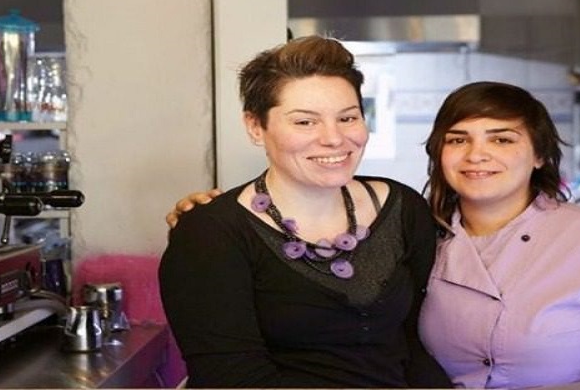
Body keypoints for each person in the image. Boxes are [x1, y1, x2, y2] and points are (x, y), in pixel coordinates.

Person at [166, 81, 580, 389]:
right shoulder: (418, 229)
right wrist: (208, 216)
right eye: (458, 139)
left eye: (502, 139)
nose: (477, 155)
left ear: (539, 154)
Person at [158, 35, 452, 388]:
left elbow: (413, 345)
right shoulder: (211, 232)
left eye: (348, 117)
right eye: (305, 122)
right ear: (255, 126)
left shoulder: (403, 208)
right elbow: (231, 378)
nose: (334, 138)